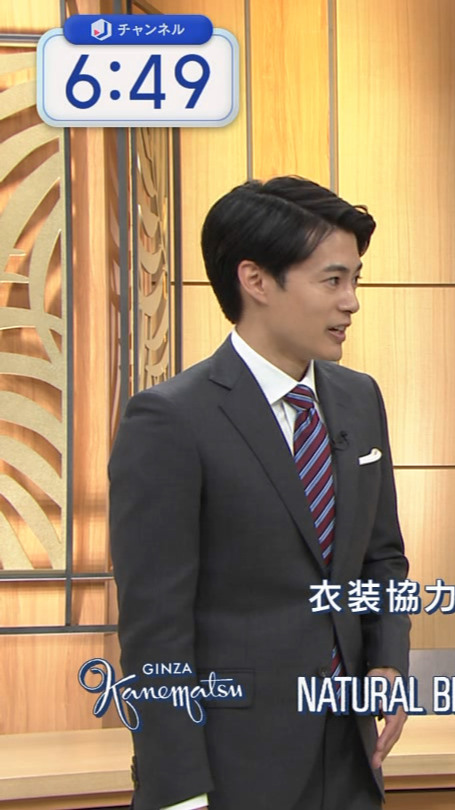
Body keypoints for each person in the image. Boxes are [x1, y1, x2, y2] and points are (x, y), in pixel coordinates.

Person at [110, 176, 411, 810]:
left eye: (355, 279)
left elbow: (381, 556)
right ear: (256, 280)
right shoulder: (170, 420)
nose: (352, 302)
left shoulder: (359, 399)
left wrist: (387, 659)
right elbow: (155, 627)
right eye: (332, 281)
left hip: (351, 762)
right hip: (231, 769)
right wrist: (178, 791)